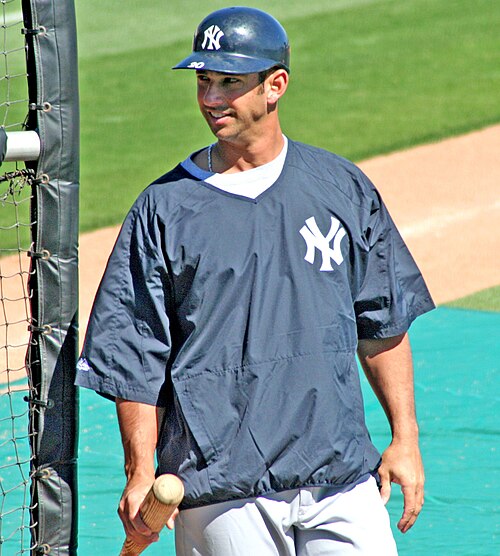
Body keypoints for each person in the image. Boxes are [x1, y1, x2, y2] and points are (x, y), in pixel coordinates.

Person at [76, 7, 435, 555]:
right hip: (220, 485)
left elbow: (382, 320)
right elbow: (134, 352)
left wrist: (405, 439)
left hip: (339, 475)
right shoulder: (163, 208)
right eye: (203, 81)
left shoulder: (339, 186)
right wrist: (139, 468)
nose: (212, 97)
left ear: (276, 85)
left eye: (229, 82)